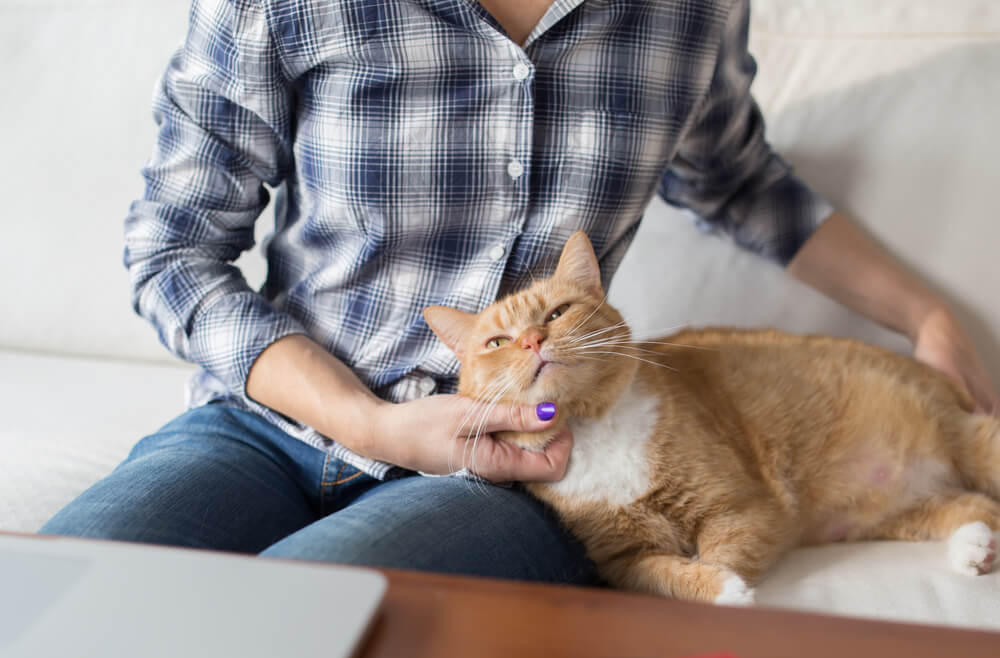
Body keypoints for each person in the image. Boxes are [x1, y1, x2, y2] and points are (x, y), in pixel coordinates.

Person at [41, 0, 999, 585]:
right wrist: (370, 425)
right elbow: (172, 251)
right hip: (268, 427)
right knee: (54, 597)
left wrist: (925, 312)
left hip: (532, 460)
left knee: (301, 611)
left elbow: (739, 179)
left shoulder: (685, 11)